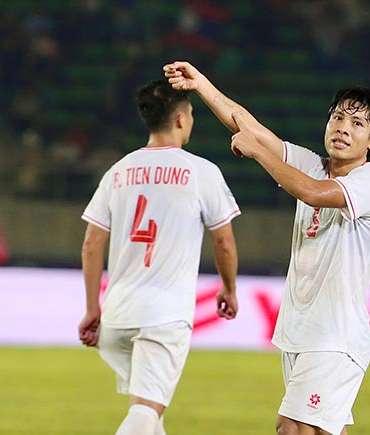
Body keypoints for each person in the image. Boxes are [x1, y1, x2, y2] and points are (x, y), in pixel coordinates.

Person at [163, 61, 370, 435]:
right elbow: (246, 125)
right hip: (300, 332)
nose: (342, 128)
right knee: (319, 430)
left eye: (357, 123)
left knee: (291, 428)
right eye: (338, 117)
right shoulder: (314, 166)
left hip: (334, 337)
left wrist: (258, 152)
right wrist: (201, 84)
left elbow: (312, 193)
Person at [78, 79, 240, 435]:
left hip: (117, 317)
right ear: (180, 119)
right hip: (163, 316)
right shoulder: (201, 172)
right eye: (191, 113)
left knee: (152, 416)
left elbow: (91, 243)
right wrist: (229, 289)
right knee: (145, 412)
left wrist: (93, 309)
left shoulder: (118, 170)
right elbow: (224, 242)